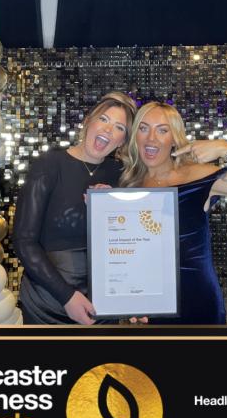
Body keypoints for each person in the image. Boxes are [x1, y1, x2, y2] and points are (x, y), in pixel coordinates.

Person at [118, 101, 227, 324]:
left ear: (174, 139)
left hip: (197, 299)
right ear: (135, 136)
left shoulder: (198, 176)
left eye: (162, 130)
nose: (151, 138)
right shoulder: (128, 186)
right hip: (150, 304)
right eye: (143, 128)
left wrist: (225, 149)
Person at [13, 92, 138, 325]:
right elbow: (23, 241)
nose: (108, 129)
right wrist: (66, 296)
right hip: (49, 302)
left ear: (122, 140)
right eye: (103, 119)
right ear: (88, 121)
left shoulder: (121, 175)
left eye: (119, 127)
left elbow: (132, 242)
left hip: (102, 304)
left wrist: (109, 211)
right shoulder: (49, 164)